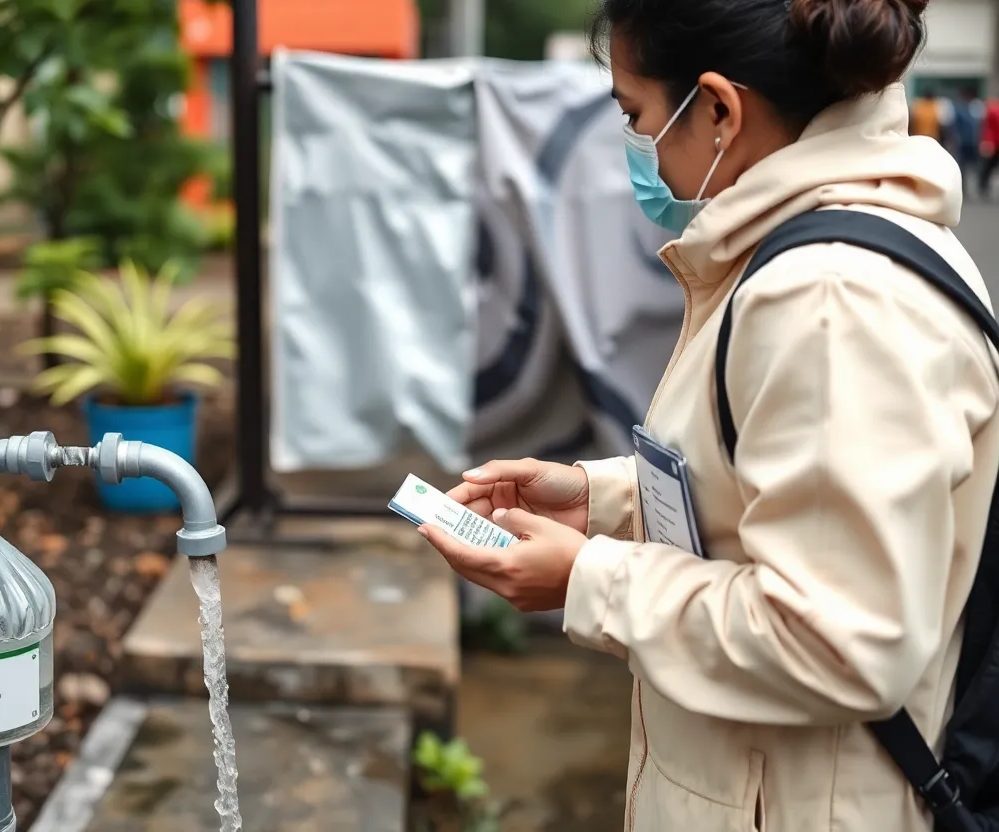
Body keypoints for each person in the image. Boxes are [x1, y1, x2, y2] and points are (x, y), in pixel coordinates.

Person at [417, 0, 999, 830]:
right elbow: (781, 485)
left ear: (720, 109)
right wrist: (603, 501)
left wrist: (588, 579)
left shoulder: (831, 298)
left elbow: (842, 639)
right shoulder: (818, 251)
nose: (638, 146)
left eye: (636, 115)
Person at [978, 96, 999, 197]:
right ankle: (983, 186)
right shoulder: (992, 109)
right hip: (992, 143)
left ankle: (984, 185)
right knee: (988, 166)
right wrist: (986, 141)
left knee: (988, 166)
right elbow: (987, 127)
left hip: (993, 141)